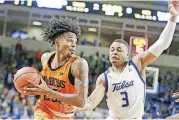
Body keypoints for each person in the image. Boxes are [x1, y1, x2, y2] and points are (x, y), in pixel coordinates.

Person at [74, 0, 179, 119]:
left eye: (119, 50)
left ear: (127, 54)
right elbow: (91, 102)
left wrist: (173, 18)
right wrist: (75, 107)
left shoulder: (137, 63)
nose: (114, 52)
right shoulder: (104, 78)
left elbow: (162, 44)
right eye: (112, 50)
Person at [24, 17, 89, 119]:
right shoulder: (45, 58)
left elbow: (81, 101)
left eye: (75, 42)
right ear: (57, 41)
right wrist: (31, 87)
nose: (74, 45)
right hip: (43, 110)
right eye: (70, 40)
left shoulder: (79, 64)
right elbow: (43, 87)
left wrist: (51, 93)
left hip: (66, 116)